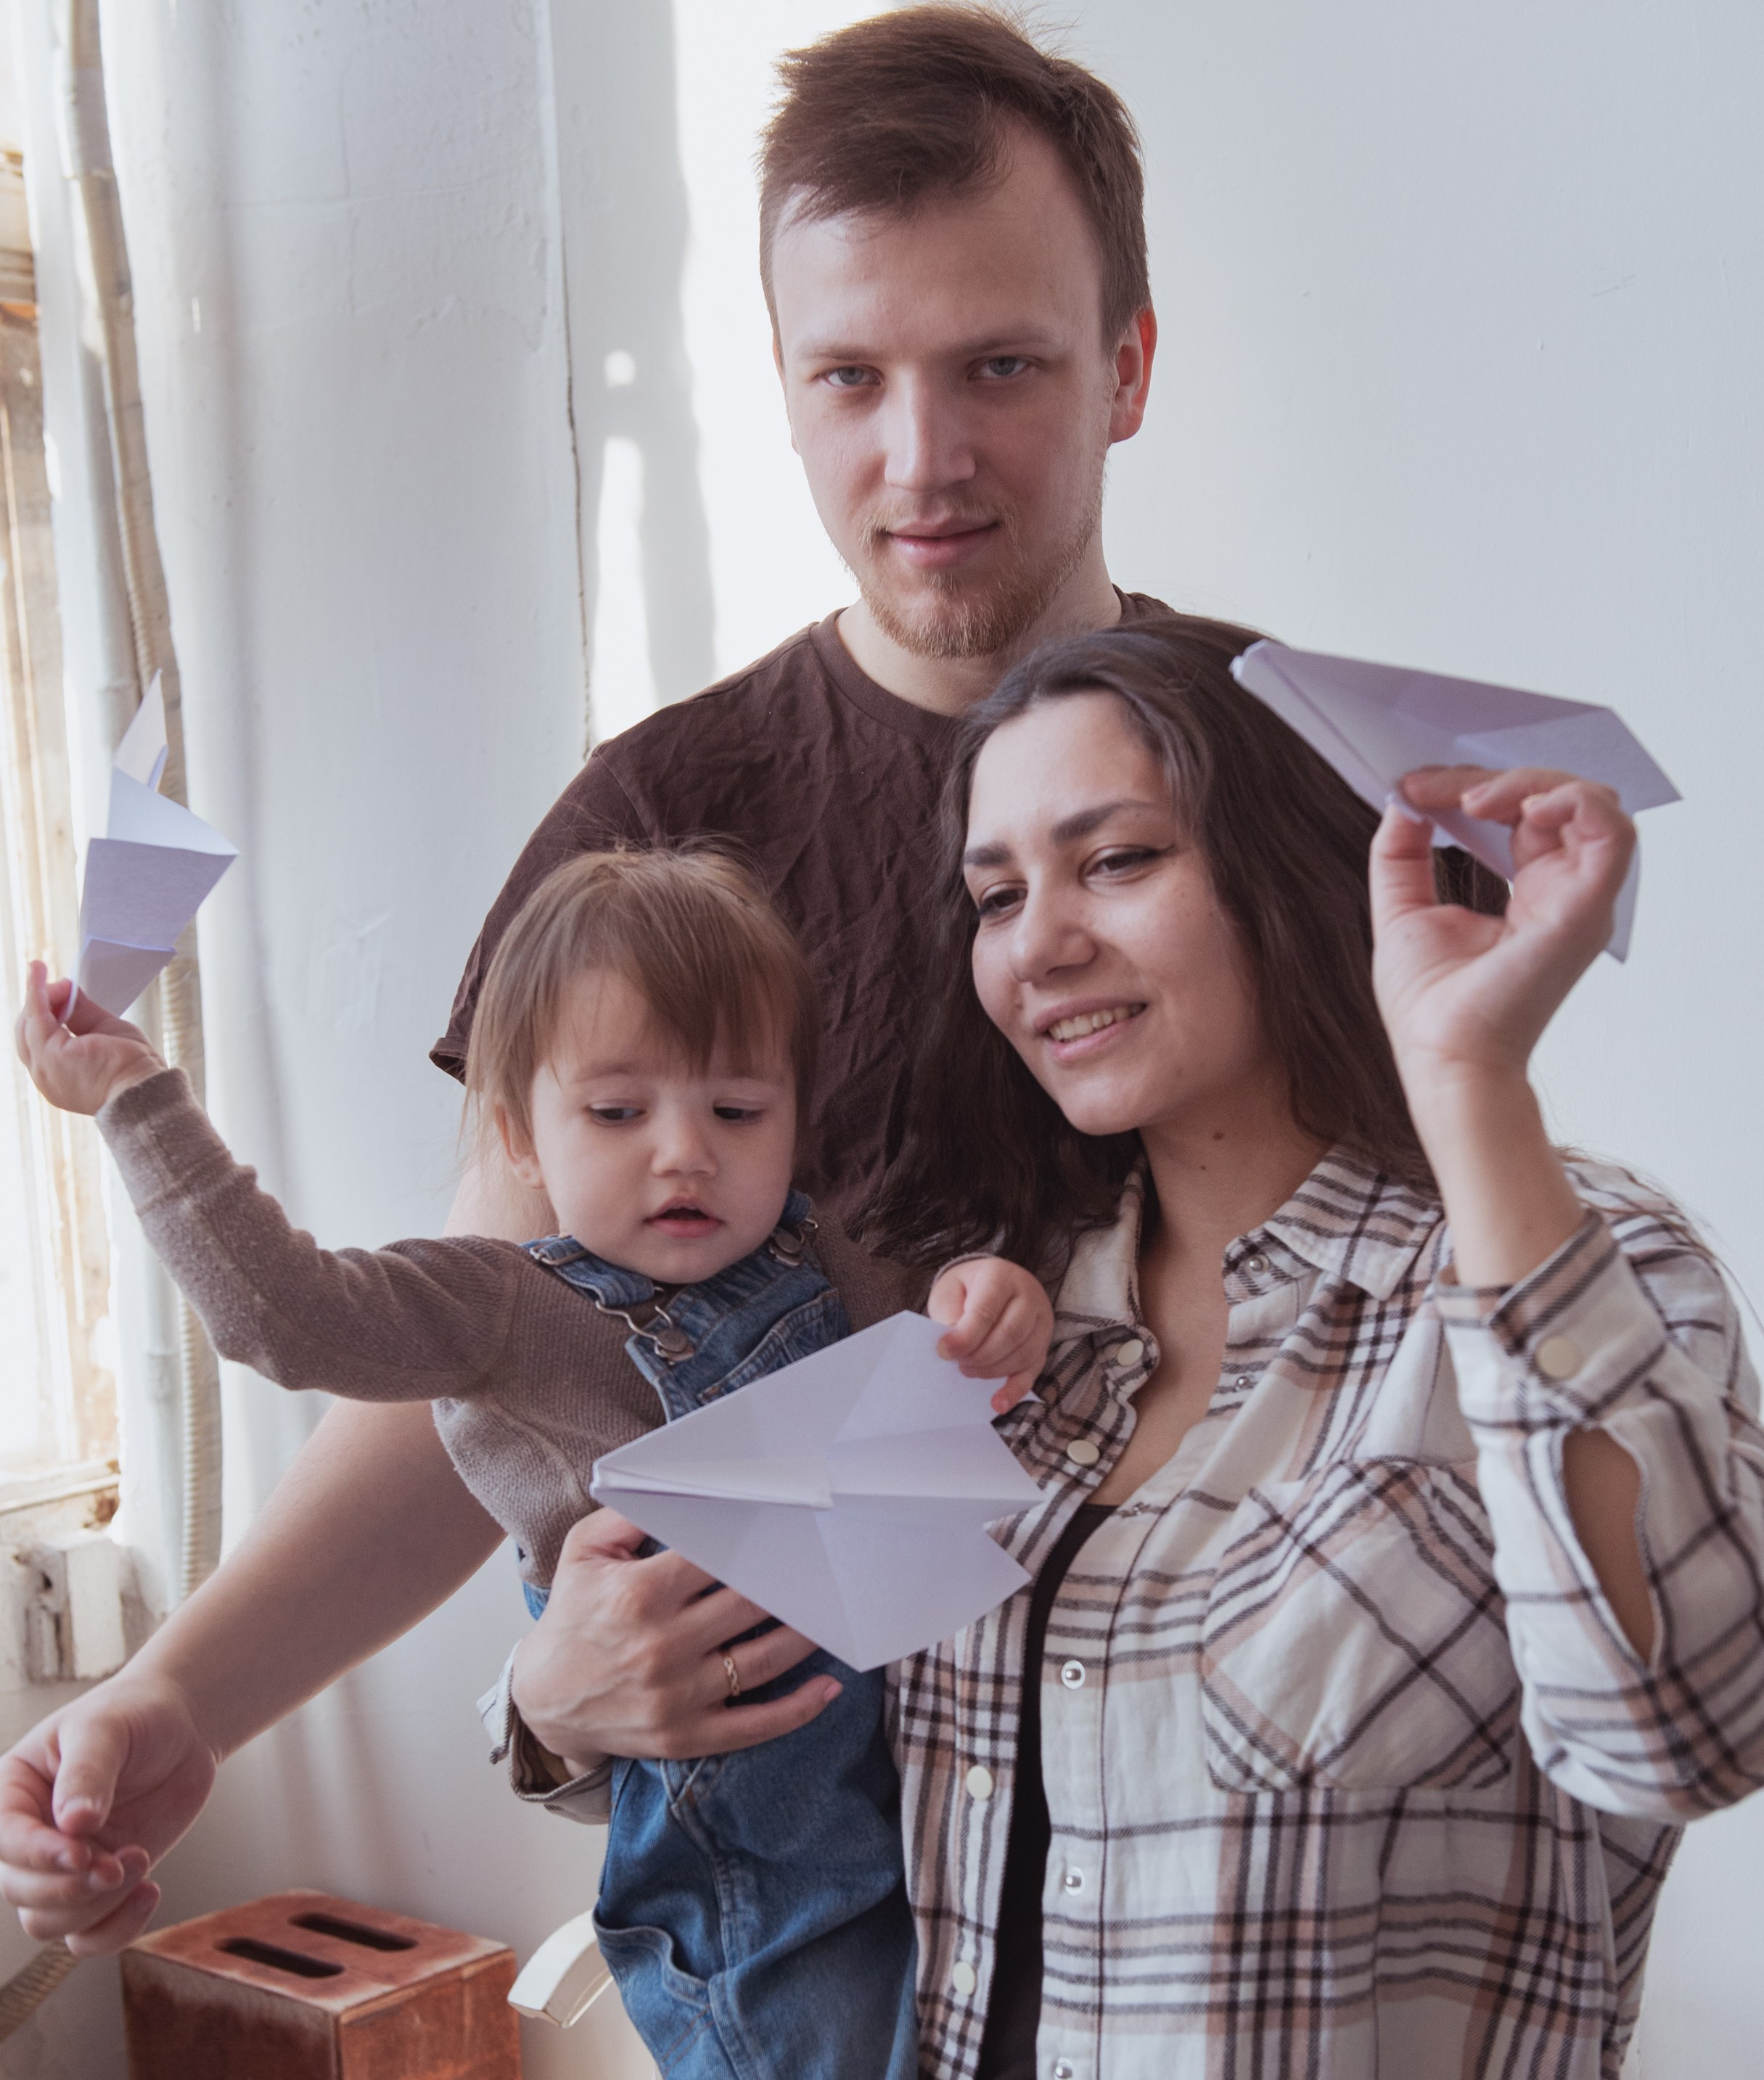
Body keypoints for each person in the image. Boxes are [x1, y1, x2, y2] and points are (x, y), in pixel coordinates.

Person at [594, 617, 1764, 2080]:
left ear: (1290, 867)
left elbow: (1687, 1719)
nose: (1038, 939)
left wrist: (1465, 1071)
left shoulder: (1559, 1265)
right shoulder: (1004, 1318)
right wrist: (545, 1689)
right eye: (995, 891)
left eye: (1115, 859)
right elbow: (743, 1713)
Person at [0, 6, 1171, 1952]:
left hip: (1221, 1898)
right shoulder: (662, 825)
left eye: (1001, 367)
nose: (923, 454)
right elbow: (495, 1344)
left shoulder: (1299, 783)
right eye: (851, 377)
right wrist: (178, 1692)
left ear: (1127, 367)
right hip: (822, 1925)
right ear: (782, 389)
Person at [15, 845, 1052, 2080]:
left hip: (905, 1823)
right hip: (739, 1875)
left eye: (738, 1106)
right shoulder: (511, 1308)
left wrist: (987, 1316)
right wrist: (139, 1105)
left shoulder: (815, 1261)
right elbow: (279, 1313)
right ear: (516, 1123)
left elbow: (946, 1381)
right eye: (619, 1106)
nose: (684, 1153)